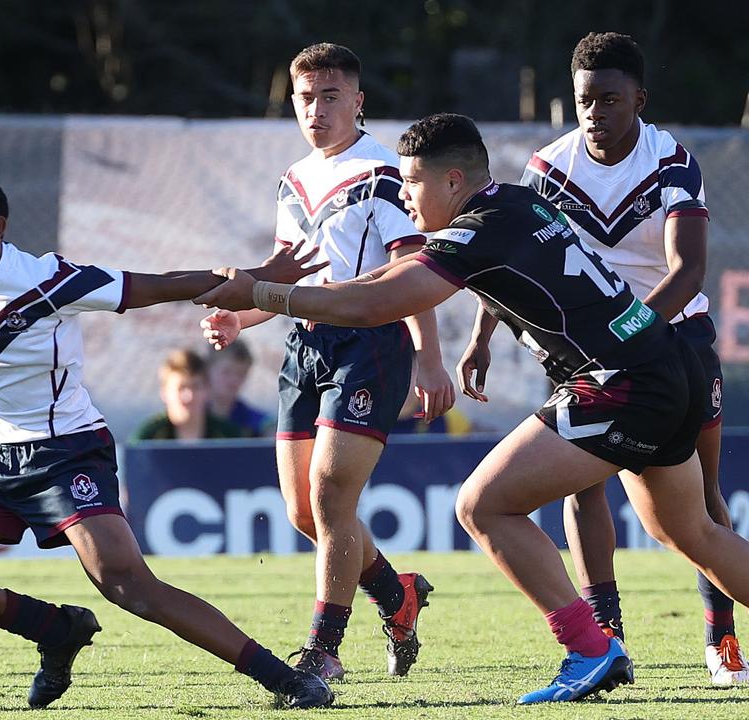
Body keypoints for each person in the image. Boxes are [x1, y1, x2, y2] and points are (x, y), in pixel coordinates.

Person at [196, 112, 749, 704]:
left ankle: (590, 650)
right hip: (662, 369)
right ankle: (596, 647)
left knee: (483, 506)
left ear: (453, 181)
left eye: (411, 183)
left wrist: (259, 291)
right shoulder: (511, 203)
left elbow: (374, 304)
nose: (403, 196)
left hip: (619, 384)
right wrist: (264, 300)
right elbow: (381, 276)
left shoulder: (477, 232)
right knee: (692, 531)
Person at [0, 172, 332, 709]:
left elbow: (161, 283)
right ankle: (55, 630)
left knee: (128, 586)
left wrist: (259, 278)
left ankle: (286, 679)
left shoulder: (49, 280)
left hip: (67, 451)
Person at [494, 31, 747, 685]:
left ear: (639, 97)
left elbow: (688, 272)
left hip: (677, 343)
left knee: (701, 507)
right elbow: (509, 259)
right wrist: (478, 338)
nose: (596, 113)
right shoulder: (548, 166)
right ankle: (608, 635)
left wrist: (627, 330)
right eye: (585, 101)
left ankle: (722, 638)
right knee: (581, 488)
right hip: (593, 354)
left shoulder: (671, 160)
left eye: (610, 99)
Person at [199, 43, 452, 682]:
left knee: (333, 497)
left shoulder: (384, 171)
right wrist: (241, 315)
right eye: (306, 98)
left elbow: (411, 271)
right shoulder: (292, 178)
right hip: (306, 345)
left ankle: (324, 650)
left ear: (358, 101)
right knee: (303, 513)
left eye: (331, 96)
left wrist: (429, 356)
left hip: (370, 342)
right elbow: (291, 278)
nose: (317, 109)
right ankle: (399, 597)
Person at [131, 349, 246, 441]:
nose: (189, 396)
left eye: (196, 387)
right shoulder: (148, 438)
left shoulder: (228, 437)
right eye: (181, 388)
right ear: (164, 392)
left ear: (207, 390)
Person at [205, 343, 271, 437]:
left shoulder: (254, 422)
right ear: (208, 370)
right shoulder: (193, 416)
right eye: (226, 372)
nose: (234, 380)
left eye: (241, 373)